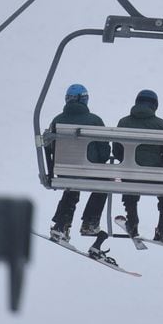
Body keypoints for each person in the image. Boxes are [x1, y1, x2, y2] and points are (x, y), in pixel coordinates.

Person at [47, 83, 110, 245]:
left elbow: (50, 145)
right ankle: (90, 222)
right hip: (89, 170)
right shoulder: (94, 121)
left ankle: (61, 224)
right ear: (85, 99)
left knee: (72, 185)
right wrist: (100, 160)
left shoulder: (57, 120)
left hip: (63, 169)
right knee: (105, 182)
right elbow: (103, 151)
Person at [115, 89, 163, 244]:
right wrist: (160, 164)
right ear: (155, 105)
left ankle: (132, 220)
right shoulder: (161, 124)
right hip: (156, 172)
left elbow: (116, 150)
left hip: (131, 172)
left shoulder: (124, 122)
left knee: (129, 179)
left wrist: (128, 161)